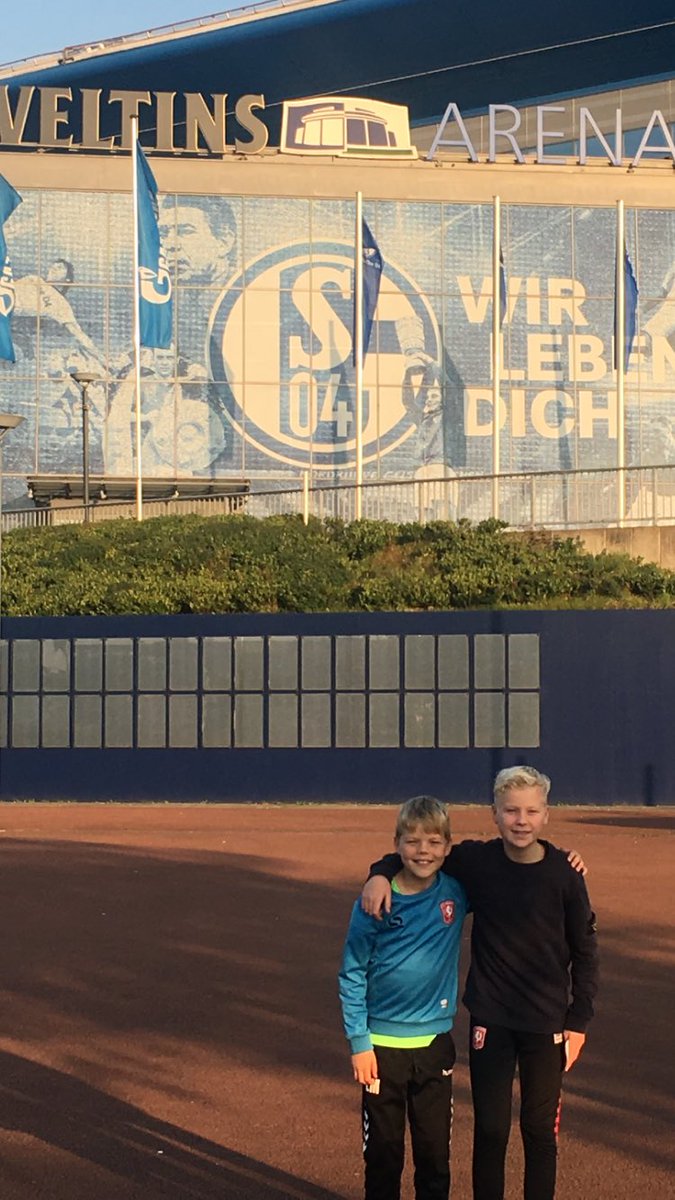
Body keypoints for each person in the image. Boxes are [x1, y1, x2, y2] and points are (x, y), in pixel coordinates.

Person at [362, 766, 598, 1200]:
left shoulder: (565, 875)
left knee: (539, 1131)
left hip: (547, 1022)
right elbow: (421, 852)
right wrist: (379, 871)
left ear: (546, 815)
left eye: (531, 811)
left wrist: (578, 1020)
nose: (521, 820)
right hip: (491, 1017)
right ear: (495, 813)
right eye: (511, 811)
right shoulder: (477, 862)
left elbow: (585, 951)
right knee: (490, 1130)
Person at [339, 795, 468, 1200]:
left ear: (448, 847)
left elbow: (508, 868)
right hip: (380, 1051)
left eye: (433, 842)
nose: (423, 851)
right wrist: (359, 1043)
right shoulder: (374, 900)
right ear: (397, 844)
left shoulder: (457, 892)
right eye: (412, 842)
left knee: (434, 1158)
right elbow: (352, 972)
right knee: (382, 1156)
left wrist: (562, 858)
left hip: (433, 1046)